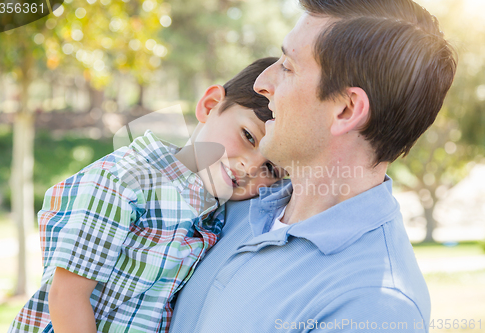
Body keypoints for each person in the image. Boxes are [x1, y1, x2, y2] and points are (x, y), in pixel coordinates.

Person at [169, 1, 457, 332]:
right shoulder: (230, 199)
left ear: (347, 110)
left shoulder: (373, 307)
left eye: (288, 67)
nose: (263, 82)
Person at [8, 57, 286, 333]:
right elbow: (66, 298)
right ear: (210, 105)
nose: (250, 167)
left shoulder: (214, 215)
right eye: (249, 136)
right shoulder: (127, 181)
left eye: (270, 167)